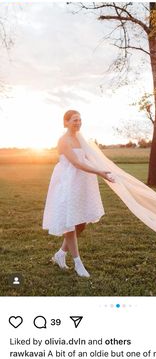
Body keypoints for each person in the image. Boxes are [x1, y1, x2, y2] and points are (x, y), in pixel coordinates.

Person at [42, 110, 115, 278]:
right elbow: (76, 163)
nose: (78, 123)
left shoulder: (81, 139)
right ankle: (77, 263)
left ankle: (60, 253)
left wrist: (108, 170)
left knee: (81, 223)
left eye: (80, 120)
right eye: (74, 120)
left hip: (82, 182)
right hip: (67, 182)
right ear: (66, 122)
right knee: (70, 222)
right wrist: (99, 172)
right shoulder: (63, 140)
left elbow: (89, 158)